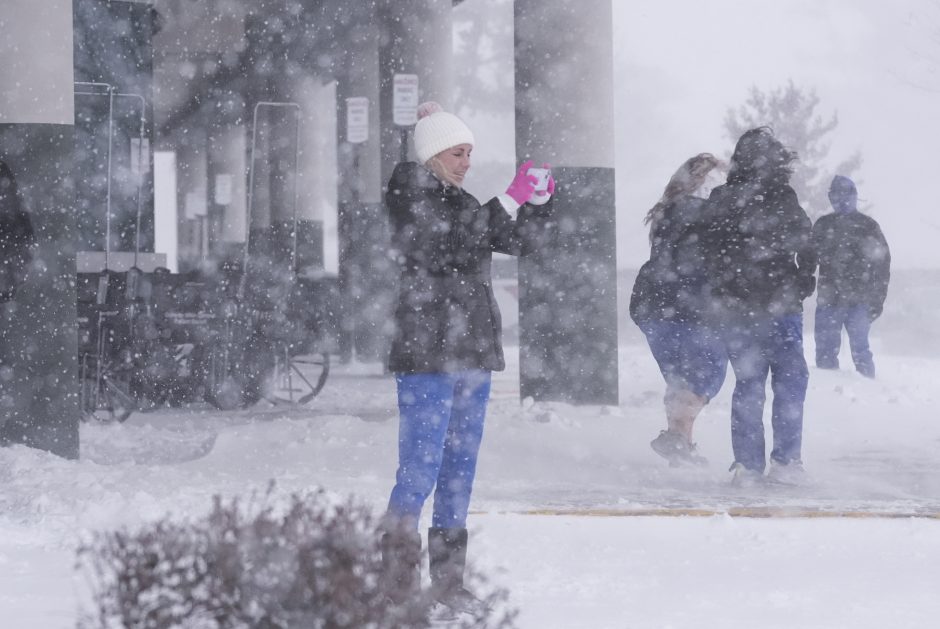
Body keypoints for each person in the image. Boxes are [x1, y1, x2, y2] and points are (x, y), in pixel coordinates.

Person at [381, 102, 553, 614]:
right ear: (434, 154)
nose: (467, 162)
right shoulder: (408, 191)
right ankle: (396, 584)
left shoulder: (463, 202)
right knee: (420, 469)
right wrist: (508, 197)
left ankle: (449, 584)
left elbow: (520, 242)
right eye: (458, 153)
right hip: (427, 352)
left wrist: (540, 204)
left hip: (472, 352)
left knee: (459, 470)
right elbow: (450, 244)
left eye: (470, 153)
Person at [699, 127, 817, 485]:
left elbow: (704, 251)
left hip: (737, 310)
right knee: (790, 382)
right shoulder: (782, 196)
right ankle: (785, 463)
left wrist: (723, 286)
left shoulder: (721, 198)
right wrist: (802, 278)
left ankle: (747, 467)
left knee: (748, 384)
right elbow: (807, 242)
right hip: (780, 306)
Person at [629, 153, 728, 467]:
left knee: (680, 377)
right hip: (693, 306)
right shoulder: (709, 215)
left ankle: (680, 444)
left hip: (654, 305)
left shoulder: (666, 210)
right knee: (705, 376)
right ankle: (676, 439)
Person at [811, 175, 890, 378]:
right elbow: (808, 258)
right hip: (831, 300)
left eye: (847, 194)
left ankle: (868, 396)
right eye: (836, 194)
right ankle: (830, 399)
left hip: (857, 300)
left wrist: (877, 299)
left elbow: (882, 265)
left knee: (860, 352)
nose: (842, 199)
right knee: (826, 354)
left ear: (855, 196)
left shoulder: (867, 226)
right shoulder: (823, 225)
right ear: (830, 197)